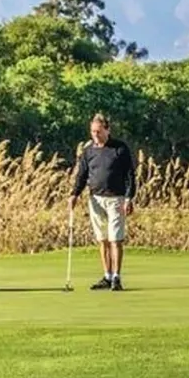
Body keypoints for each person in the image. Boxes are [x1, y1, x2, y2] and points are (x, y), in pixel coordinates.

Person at [68, 113, 137, 290]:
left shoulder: (119, 148)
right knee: (102, 239)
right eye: (93, 132)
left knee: (116, 239)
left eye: (99, 131)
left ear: (107, 130)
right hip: (95, 199)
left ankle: (116, 277)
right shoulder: (88, 151)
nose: (95, 135)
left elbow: (130, 175)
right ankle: (107, 276)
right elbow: (82, 175)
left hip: (116, 198)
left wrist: (129, 198)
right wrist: (74, 194)